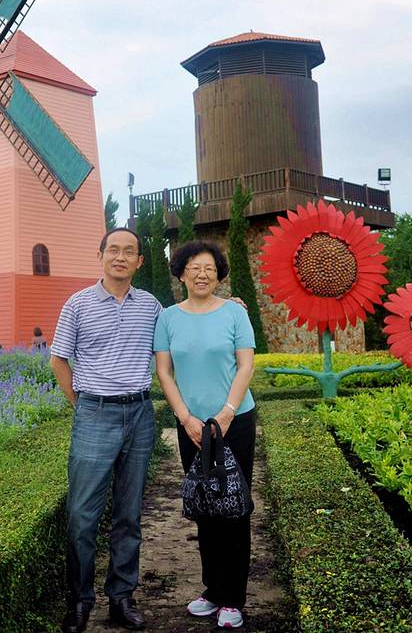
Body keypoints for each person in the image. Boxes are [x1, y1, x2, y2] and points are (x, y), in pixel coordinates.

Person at [51, 227, 161, 633]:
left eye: (129, 251)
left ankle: (121, 597)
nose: (120, 257)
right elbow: (59, 360)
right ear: (100, 256)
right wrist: (81, 406)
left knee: (129, 514)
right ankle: (79, 602)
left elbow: (179, 338)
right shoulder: (77, 305)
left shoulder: (151, 306)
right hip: (94, 413)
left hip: (139, 414)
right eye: (113, 249)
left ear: (139, 261)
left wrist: (228, 304)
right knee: (82, 515)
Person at [154, 240, 256, 630]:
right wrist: (185, 418)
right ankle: (213, 590)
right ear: (180, 273)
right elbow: (165, 371)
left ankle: (233, 598)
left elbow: (246, 365)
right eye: (194, 267)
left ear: (219, 274)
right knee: (206, 506)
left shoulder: (234, 313)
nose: (202, 274)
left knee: (235, 507)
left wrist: (227, 412)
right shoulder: (168, 318)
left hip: (235, 421)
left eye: (210, 268)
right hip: (192, 428)